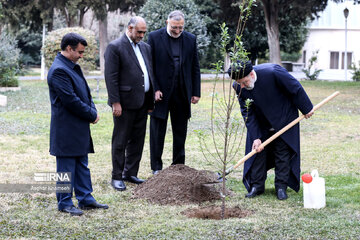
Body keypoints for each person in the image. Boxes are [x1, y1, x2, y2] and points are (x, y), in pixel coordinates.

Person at [230, 61, 314, 200]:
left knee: (283, 152)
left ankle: (281, 186)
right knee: (257, 152)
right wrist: (256, 136)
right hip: (260, 121)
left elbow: (295, 88)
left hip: (284, 117)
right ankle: (256, 186)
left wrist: (306, 107)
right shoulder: (238, 86)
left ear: (251, 74)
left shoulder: (273, 72)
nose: (242, 86)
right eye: (240, 83)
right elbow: (247, 111)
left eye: (244, 82)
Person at [47, 32, 108, 216]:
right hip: (66, 128)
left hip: (79, 126)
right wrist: (92, 115)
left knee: (82, 163)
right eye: (79, 52)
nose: (82, 55)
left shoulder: (72, 66)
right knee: (66, 167)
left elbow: (85, 93)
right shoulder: (59, 70)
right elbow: (70, 100)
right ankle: (64, 203)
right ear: (68, 48)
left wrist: (92, 109)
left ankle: (85, 198)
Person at [104, 16, 155, 191]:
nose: (142, 35)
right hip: (124, 104)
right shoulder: (115, 47)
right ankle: (117, 176)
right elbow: (111, 78)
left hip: (143, 102)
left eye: (144, 32)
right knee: (120, 140)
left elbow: (148, 73)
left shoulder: (145, 48)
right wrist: (115, 102)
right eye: (139, 32)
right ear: (130, 28)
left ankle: (130, 173)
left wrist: (150, 98)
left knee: (138, 140)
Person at [147, 10, 201, 174]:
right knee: (157, 132)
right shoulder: (154, 37)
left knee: (180, 132)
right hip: (161, 94)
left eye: (180, 27)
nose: (177, 31)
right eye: (174, 27)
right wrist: (155, 89)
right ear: (167, 22)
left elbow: (195, 67)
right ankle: (156, 167)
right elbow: (150, 66)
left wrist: (196, 91)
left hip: (182, 92)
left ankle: (178, 166)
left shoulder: (190, 39)